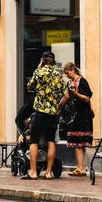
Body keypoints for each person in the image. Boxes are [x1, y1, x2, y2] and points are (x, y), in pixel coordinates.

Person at [21, 51, 64, 180]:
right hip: (52, 114)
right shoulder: (58, 74)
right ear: (54, 61)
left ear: (42, 60)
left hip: (40, 112)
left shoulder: (38, 72)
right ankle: (49, 172)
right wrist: (58, 107)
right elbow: (65, 94)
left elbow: (30, 86)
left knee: (34, 140)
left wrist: (39, 67)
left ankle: (33, 172)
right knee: (51, 140)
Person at [59, 62, 94, 176]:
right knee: (78, 142)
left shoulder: (82, 81)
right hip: (74, 115)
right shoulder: (69, 83)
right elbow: (67, 97)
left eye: (67, 73)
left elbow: (87, 98)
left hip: (81, 114)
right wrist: (60, 107)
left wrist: (76, 93)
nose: (67, 75)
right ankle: (81, 167)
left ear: (72, 70)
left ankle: (81, 168)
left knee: (78, 142)